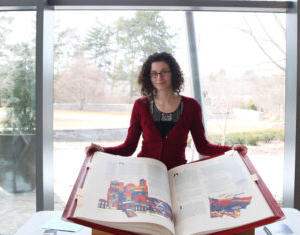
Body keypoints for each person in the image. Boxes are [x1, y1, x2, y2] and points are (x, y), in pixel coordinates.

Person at [85, 52, 247, 170]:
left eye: (164, 72)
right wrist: (103, 150)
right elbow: (128, 147)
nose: (159, 77)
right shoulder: (140, 105)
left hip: (178, 175)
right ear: (148, 77)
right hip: (145, 173)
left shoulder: (191, 106)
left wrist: (231, 149)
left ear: (173, 74)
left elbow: (203, 146)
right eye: (154, 73)